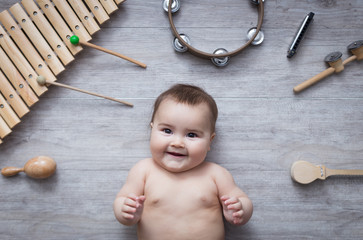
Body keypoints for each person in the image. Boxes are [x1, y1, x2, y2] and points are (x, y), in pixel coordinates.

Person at [113, 84, 253, 240]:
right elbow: (121, 200)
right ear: (152, 130)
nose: (177, 143)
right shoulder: (143, 170)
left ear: (209, 141)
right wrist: (126, 211)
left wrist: (239, 209)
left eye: (192, 135)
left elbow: (243, 200)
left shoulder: (216, 174)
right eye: (167, 131)